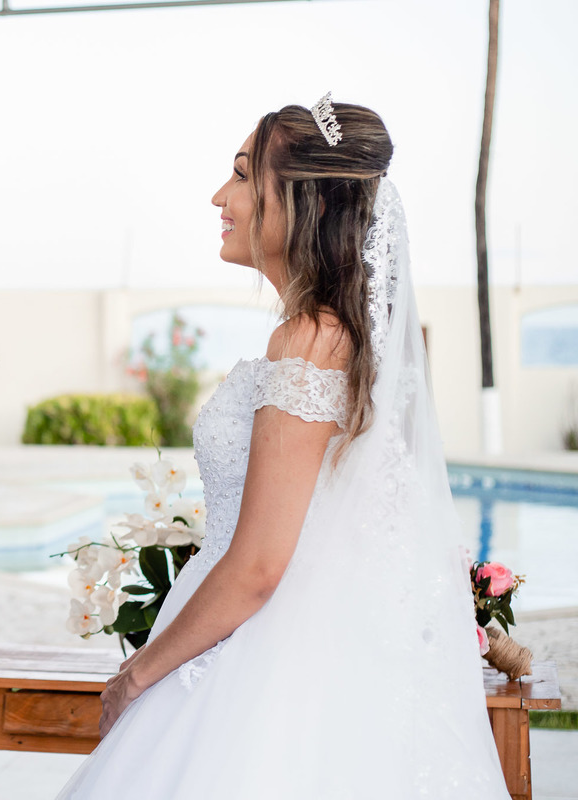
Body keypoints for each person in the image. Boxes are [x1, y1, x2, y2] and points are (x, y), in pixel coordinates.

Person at [59, 96, 512, 798]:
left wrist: (137, 675)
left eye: (242, 175)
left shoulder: (310, 340)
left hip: (265, 665)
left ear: (305, 202)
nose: (221, 196)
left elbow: (261, 565)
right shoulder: (336, 337)